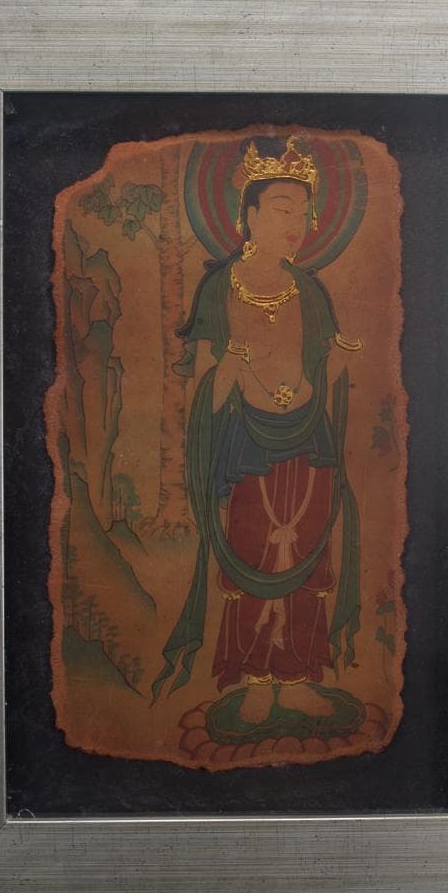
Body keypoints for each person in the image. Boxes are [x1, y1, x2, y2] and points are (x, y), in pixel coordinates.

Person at [152, 136, 361, 723]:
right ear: (248, 215)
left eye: (303, 212)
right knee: (251, 551)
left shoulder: (310, 289)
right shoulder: (219, 288)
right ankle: (252, 678)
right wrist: (229, 369)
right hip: (247, 441)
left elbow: (323, 367)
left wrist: (336, 365)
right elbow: (201, 385)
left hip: (309, 439)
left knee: (308, 555)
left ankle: (296, 677)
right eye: (281, 209)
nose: (296, 224)